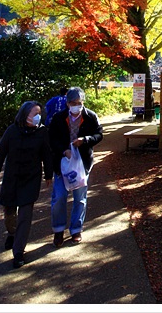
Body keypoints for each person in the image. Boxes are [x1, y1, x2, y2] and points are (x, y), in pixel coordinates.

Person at [0, 101, 53, 269]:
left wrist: (49, 174)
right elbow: (0, 155)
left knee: (25, 215)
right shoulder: (12, 131)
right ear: (25, 115)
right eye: (35, 114)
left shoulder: (42, 132)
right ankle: (12, 233)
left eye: (39, 114)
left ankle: (18, 251)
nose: (38, 117)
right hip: (12, 178)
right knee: (9, 212)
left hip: (31, 179)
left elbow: (47, 154)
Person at [48, 86, 103, 246]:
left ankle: (76, 229)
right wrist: (63, 150)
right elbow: (52, 139)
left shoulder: (90, 116)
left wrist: (85, 140)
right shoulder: (58, 118)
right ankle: (58, 230)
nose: (76, 106)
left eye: (79, 103)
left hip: (82, 163)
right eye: (73, 103)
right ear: (67, 103)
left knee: (80, 198)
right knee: (59, 197)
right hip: (62, 163)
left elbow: (99, 134)